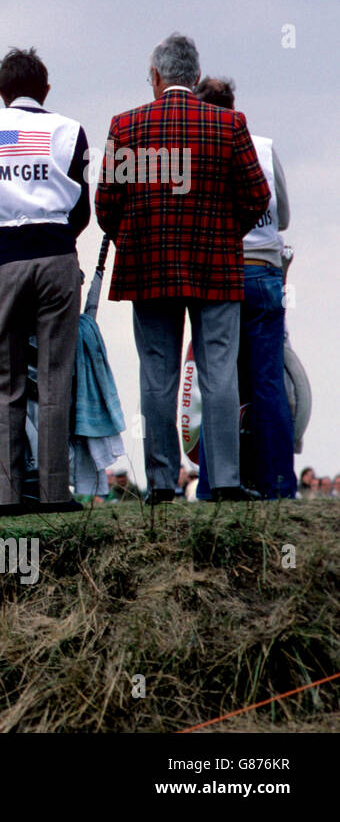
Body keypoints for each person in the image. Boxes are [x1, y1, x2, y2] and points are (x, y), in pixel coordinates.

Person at [95, 34, 270, 504]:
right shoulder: (229, 125)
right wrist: (226, 234)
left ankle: (161, 483)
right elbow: (258, 196)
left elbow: (106, 207)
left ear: (156, 77)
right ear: (195, 78)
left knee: (158, 376)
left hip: (148, 268)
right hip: (216, 267)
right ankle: (227, 481)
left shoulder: (126, 127)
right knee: (219, 373)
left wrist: (136, 235)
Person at [0, 47, 90, 515]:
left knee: (4, 378)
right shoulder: (71, 130)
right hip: (56, 255)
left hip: (5, 259)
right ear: (46, 90)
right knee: (55, 378)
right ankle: (54, 492)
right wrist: (58, 242)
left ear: (0, 91)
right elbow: (83, 209)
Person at [190, 77, 296, 500]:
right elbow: (283, 216)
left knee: (220, 382)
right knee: (269, 382)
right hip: (266, 272)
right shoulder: (265, 147)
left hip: (221, 274)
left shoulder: (199, 148)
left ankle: (215, 483)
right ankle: (280, 486)